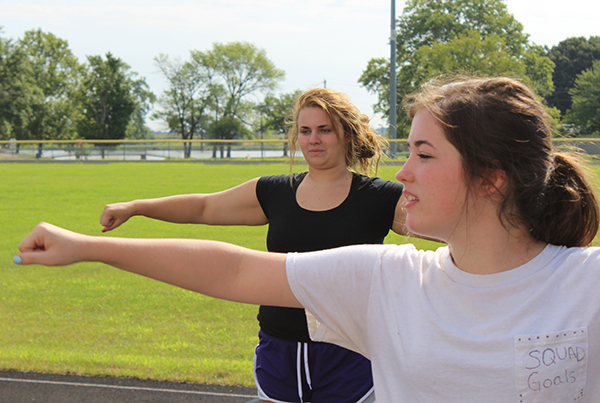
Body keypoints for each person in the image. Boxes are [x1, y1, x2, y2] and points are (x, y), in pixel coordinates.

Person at [14, 75, 600, 402]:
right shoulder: (385, 278)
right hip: (279, 363)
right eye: (304, 130)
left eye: (423, 154)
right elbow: (236, 270)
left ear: (491, 178)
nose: (403, 172)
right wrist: (88, 245)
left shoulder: (586, 285)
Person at [97, 88, 408, 403]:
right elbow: (203, 207)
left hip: (350, 351)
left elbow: (446, 229)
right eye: (305, 130)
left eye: (324, 130)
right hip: (279, 349)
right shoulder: (275, 192)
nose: (313, 139)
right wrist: (135, 206)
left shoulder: (381, 198)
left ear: (346, 135)